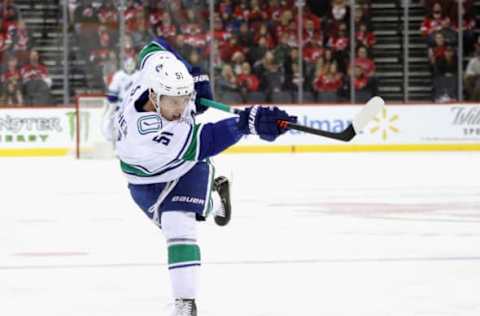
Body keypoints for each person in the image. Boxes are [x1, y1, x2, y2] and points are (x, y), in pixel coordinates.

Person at [114, 37, 296, 316]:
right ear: (153, 97)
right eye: (173, 103)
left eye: (184, 100)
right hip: (145, 182)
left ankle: (185, 304)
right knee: (179, 216)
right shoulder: (146, 129)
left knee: (179, 225)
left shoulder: (156, 73)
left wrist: (192, 74)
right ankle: (215, 200)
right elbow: (208, 139)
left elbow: (154, 45)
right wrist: (247, 124)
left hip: (186, 167)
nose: (180, 109)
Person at [102, 57, 140, 142]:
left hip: (135, 107)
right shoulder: (119, 76)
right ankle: (116, 144)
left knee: (134, 129)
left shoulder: (140, 75)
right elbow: (112, 94)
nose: (130, 66)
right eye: (128, 64)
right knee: (117, 126)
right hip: (121, 107)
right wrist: (112, 105)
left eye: (131, 64)